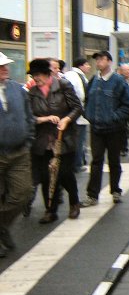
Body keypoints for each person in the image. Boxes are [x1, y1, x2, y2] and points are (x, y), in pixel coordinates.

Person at [27, 58, 83, 223]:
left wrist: (66, 119)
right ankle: (50, 210)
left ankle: (74, 202)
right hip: (43, 140)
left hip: (63, 139)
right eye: (33, 75)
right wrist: (44, 119)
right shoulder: (32, 93)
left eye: (38, 75)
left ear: (48, 74)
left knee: (65, 173)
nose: (36, 78)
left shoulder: (63, 86)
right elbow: (29, 117)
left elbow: (77, 108)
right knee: (46, 176)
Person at [83, 51, 129, 207]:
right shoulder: (94, 81)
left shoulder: (118, 81)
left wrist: (114, 117)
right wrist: (89, 115)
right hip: (97, 128)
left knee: (114, 161)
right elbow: (87, 100)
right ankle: (92, 195)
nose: (98, 62)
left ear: (109, 61)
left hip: (114, 129)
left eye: (101, 59)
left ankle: (115, 191)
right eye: (97, 59)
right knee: (96, 161)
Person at [0, 52, 34, 256]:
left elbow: (29, 117)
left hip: (19, 152)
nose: (5, 69)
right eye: (1, 66)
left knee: (23, 194)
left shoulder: (16, 89)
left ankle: (1, 226)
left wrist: (28, 139)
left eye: (6, 66)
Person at [64, 57, 91, 172]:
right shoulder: (76, 76)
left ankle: (79, 161)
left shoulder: (72, 75)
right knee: (79, 140)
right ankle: (77, 164)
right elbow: (81, 94)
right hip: (78, 115)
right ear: (81, 66)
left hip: (75, 114)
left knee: (79, 140)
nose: (89, 66)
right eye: (87, 64)